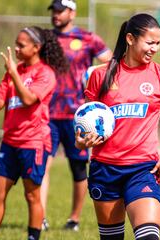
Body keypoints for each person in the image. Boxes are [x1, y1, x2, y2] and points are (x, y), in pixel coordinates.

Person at [76, 13, 160, 240]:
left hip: (143, 170)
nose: (155, 48)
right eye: (150, 42)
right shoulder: (100, 75)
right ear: (130, 39)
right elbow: (84, 124)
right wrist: (81, 141)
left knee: (148, 236)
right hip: (105, 170)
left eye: (158, 43)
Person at [0, 26, 68, 240]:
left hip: (34, 143)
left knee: (32, 196)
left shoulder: (46, 74)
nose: (16, 48)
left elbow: (29, 99)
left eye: (21, 45)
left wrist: (13, 74)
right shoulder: (15, 71)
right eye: (16, 43)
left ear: (36, 48)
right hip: (10, 143)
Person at [40, 0, 112, 231]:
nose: (56, 15)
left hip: (78, 116)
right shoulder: (44, 38)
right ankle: (40, 217)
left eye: (61, 11)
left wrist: (94, 79)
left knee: (79, 168)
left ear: (73, 12)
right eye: (54, 11)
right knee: (42, 166)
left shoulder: (88, 38)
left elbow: (111, 64)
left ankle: (74, 219)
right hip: (47, 114)